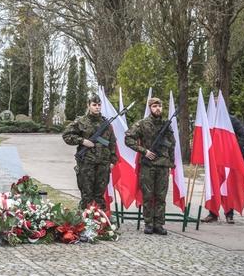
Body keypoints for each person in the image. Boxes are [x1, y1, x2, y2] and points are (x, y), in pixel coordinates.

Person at [124, 97, 176, 235]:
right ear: (150, 108)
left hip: (163, 165)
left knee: (161, 196)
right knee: (148, 195)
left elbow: (172, 144)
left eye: (159, 106)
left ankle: (158, 224)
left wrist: (172, 162)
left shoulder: (167, 124)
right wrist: (144, 151)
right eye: (154, 106)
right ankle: (148, 223)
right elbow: (128, 138)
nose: (157, 108)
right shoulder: (142, 124)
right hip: (148, 165)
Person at [62, 94, 117, 211]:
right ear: (89, 105)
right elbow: (66, 135)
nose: (97, 107)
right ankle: (85, 221)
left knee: (99, 195)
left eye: (99, 105)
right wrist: (82, 141)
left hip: (103, 164)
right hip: (86, 163)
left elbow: (112, 142)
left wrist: (113, 161)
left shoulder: (106, 124)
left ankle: (101, 222)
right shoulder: (81, 122)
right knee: (87, 195)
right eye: (94, 105)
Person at [202, 113, 244, 224]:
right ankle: (212, 214)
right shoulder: (209, 120)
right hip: (215, 159)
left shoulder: (231, 120)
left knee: (228, 187)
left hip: (230, 159)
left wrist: (233, 148)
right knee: (214, 185)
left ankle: (229, 214)